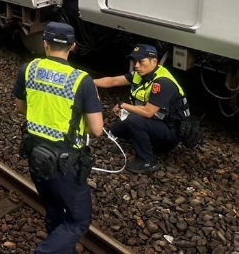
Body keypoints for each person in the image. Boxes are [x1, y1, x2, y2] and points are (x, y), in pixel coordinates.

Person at [13, 22, 103, 254]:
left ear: (45, 43)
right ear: (73, 46)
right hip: (66, 162)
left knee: (53, 208)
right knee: (78, 220)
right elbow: (97, 129)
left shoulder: (29, 69)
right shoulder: (82, 80)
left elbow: (21, 108)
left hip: (35, 154)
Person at [94, 44, 191, 174]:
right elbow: (113, 81)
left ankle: (147, 161)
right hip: (157, 123)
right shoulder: (141, 74)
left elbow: (148, 112)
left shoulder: (163, 82)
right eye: (135, 61)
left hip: (171, 130)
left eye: (141, 61)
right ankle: (146, 140)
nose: (137, 66)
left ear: (154, 62)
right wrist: (87, 82)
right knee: (115, 130)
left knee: (134, 120)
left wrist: (123, 105)